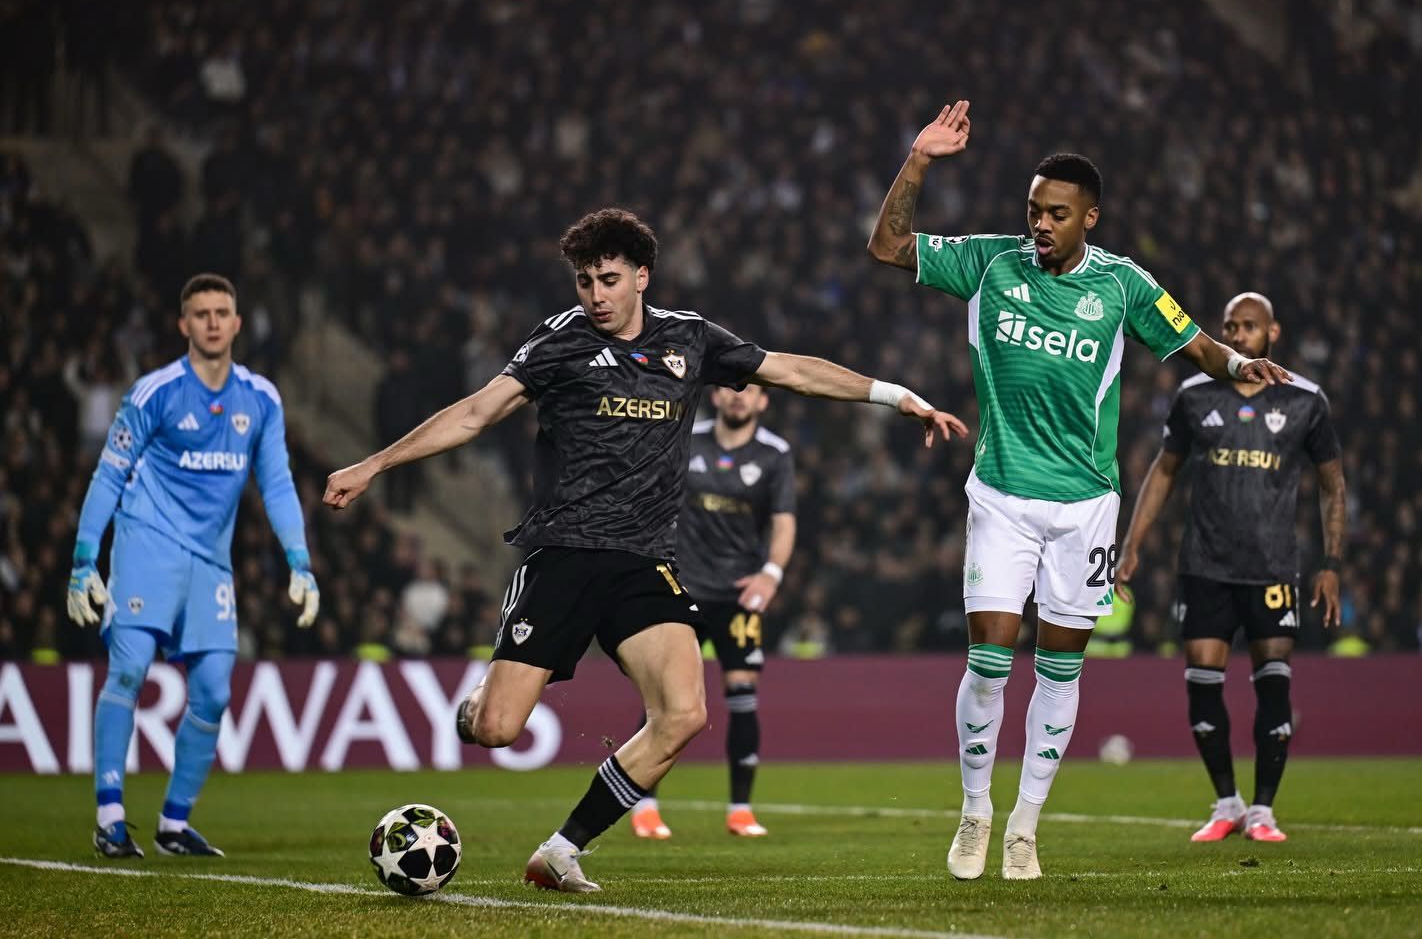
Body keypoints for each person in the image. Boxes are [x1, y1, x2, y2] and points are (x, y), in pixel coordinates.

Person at [323, 208, 967, 892]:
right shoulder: (559, 342)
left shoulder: (689, 338)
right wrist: (374, 464)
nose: (595, 296)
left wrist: (894, 396)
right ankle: (478, 702)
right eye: (584, 282)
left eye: (608, 279)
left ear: (641, 277)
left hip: (644, 561)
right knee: (497, 729)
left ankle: (562, 849)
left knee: (685, 714)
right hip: (565, 553)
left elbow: (790, 371)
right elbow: (476, 413)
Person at [867, 100, 1291, 881]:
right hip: (1002, 494)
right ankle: (974, 811)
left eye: (1056, 214)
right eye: (1033, 210)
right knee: (989, 662)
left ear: (1089, 217)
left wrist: (1239, 365)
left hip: (1086, 506)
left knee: (1061, 670)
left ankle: (1024, 826)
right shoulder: (989, 263)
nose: (1039, 225)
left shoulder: (1123, 285)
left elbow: (1195, 342)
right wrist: (919, 160)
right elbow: (889, 244)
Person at [67, 273, 318, 860]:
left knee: (213, 692)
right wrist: (83, 558)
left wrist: (299, 561)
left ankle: (174, 824)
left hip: (210, 561)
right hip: (146, 544)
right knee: (129, 671)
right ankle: (110, 817)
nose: (211, 322)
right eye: (201, 313)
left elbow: (277, 483)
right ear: (184, 325)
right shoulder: (154, 392)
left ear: (236, 323)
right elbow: (109, 474)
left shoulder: (260, 398)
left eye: (221, 312)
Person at [1116, 291, 1345, 843]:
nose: (1238, 335)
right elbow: (1164, 471)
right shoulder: (1194, 395)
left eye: (1249, 326)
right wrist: (1132, 544)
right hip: (1205, 565)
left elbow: (1332, 484)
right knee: (1201, 681)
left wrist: (1331, 563)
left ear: (1273, 333)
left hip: (1272, 567)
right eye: (1229, 326)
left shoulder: (1305, 400)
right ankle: (1227, 802)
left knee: (1274, 683)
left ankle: (1263, 810)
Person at [630, 383, 796, 841]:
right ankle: (644, 805)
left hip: (739, 595)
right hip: (682, 588)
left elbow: (784, 521)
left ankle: (740, 810)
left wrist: (771, 575)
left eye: (749, 390)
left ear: (763, 401)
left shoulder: (775, 454)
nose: (739, 396)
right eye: (729, 388)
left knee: (742, 693)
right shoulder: (686, 439)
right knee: (665, 698)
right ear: (716, 397)